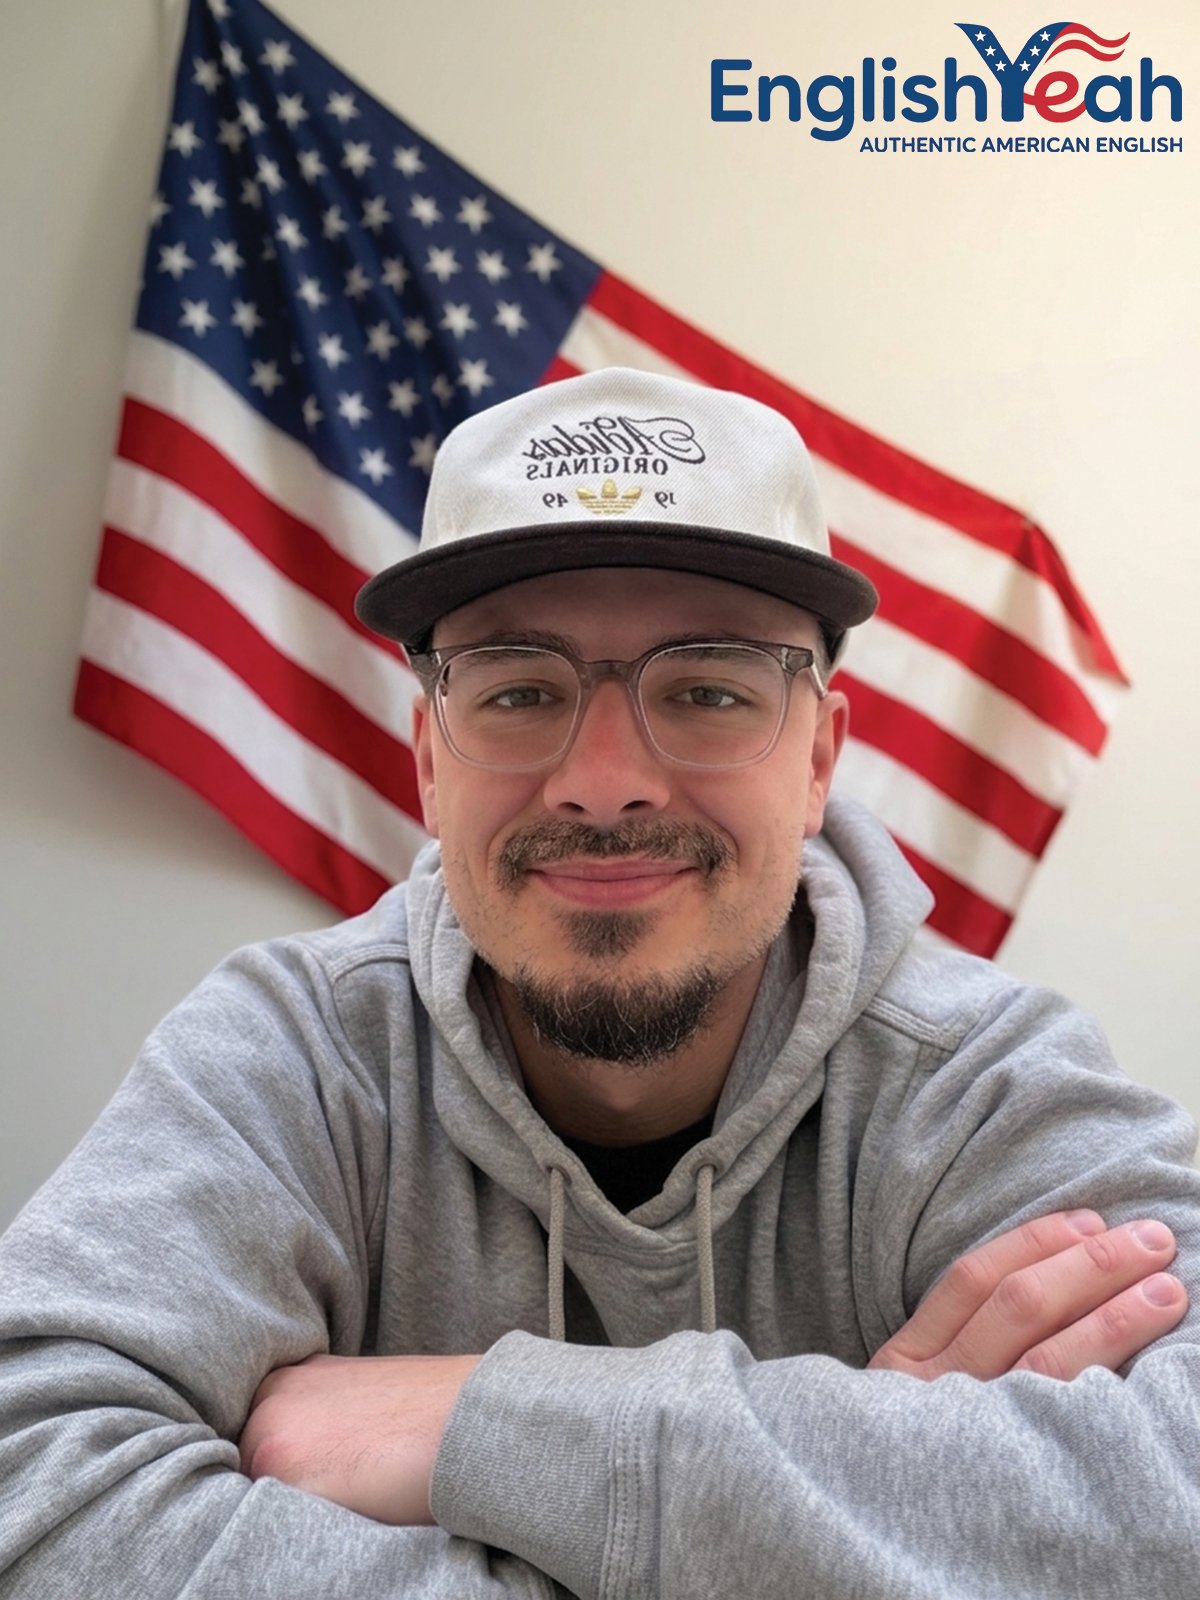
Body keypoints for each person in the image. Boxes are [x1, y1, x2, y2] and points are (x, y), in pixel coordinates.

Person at [1, 368, 1197, 1598]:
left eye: (710, 689)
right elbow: (32, 1480)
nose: (606, 779)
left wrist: (485, 1420)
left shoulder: (980, 1085)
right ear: (427, 761)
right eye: (521, 689)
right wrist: (841, 1511)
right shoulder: (295, 1054)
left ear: (819, 760)